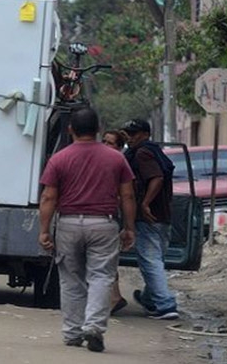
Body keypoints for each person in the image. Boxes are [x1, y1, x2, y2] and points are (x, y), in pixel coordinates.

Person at [39, 108, 136, 353]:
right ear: (98, 130)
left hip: (69, 223)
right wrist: (129, 228)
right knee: (101, 277)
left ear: (70, 129)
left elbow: (49, 197)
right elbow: (127, 195)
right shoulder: (116, 158)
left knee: (71, 279)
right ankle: (94, 327)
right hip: (103, 223)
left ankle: (72, 333)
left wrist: (44, 231)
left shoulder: (59, 158)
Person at [121, 118, 179, 320]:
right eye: (128, 134)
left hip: (148, 217)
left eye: (134, 134)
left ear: (145, 134)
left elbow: (157, 177)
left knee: (150, 261)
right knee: (156, 259)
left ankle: (165, 305)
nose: (130, 138)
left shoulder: (143, 153)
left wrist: (144, 203)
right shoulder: (154, 151)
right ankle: (149, 299)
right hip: (162, 216)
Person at [102, 130, 128, 315]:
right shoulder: (106, 161)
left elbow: (126, 195)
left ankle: (113, 298)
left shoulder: (119, 164)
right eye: (103, 141)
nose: (105, 145)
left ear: (119, 147)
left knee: (106, 260)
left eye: (110, 143)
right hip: (108, 216)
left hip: (112, 217)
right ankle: (114, 296)